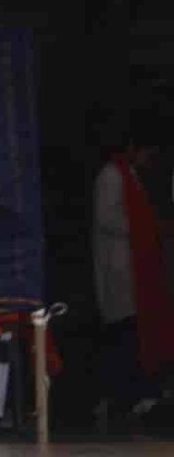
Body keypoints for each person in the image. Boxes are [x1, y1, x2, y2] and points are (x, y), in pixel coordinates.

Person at [91, 111, 173, 428]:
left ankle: (130, 398)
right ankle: (118, 401)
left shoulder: (131, 175)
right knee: (123, 336)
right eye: (147, 152)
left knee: (133, 333)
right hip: (119, 268)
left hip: (132, 269)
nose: (150, 159)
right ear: (133, 147)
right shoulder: (112, 175)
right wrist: (150, 227)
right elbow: (107, 219)